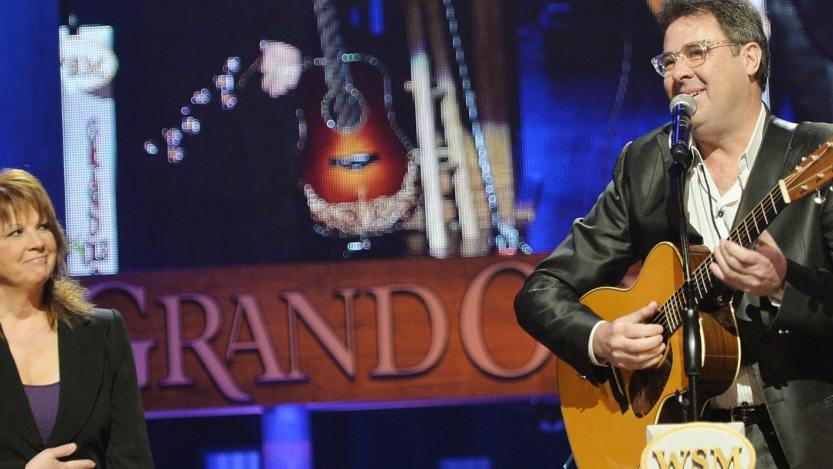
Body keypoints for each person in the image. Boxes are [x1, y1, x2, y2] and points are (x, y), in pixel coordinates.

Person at [514, 0, 833, 467]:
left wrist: (783, 285)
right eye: (669, 60)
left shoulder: (815, 152)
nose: (679, 72)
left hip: (796, 443)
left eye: (697, 52)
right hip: (673, 442)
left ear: (751, 58)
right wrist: (601, 339)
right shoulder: (648, 164)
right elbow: (542, 291)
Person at [0, 169, 154, 468]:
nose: (38, 242)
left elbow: (133, 460)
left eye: (43, 226)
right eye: (16, 232)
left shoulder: (102, 332)